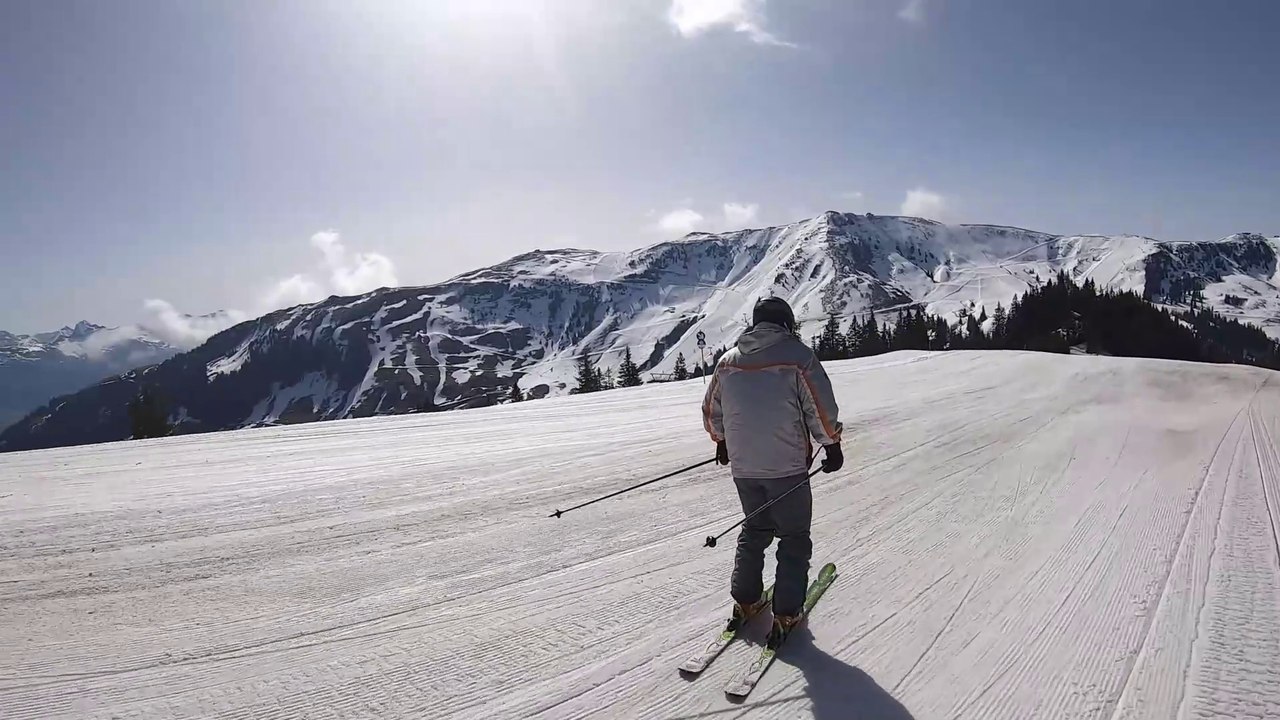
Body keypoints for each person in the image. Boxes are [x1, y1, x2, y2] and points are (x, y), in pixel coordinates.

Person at [701, 296, 844, 648]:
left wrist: (722, 441)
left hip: (744, 468)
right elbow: (819, 407)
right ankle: (786, 611)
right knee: (793, 537)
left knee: (755, 528)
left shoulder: (727, 362)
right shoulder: (798, 358)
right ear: (786, 323)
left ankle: (746, 599)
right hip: (787, 467)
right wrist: (831, 444)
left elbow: (711, 409)